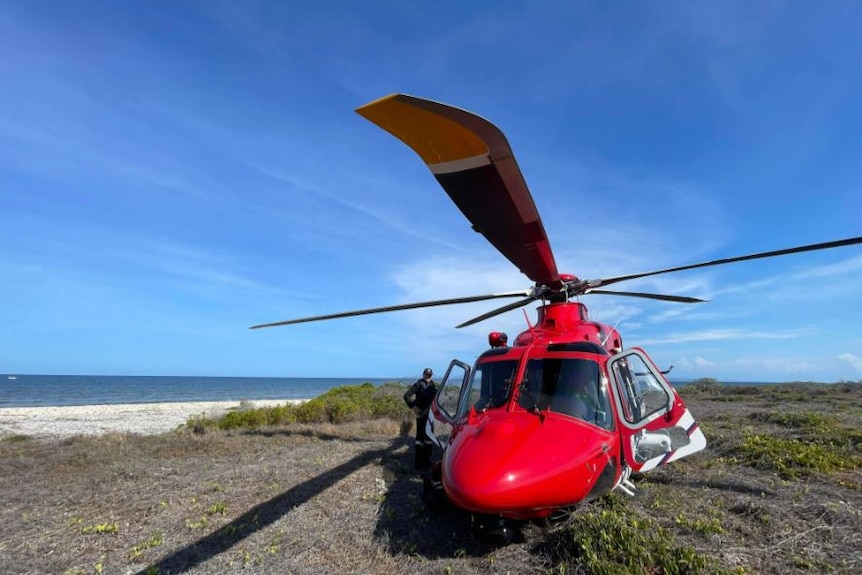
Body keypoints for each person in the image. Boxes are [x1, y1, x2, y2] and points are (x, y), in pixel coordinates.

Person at [403, 367, 437, 471]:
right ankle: (418, 463)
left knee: (429, 439)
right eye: (426, 374)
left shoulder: (432, 385)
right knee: (420, 439)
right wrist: (413, 406)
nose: (428, 376)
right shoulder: (418, 384)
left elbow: (435, 400)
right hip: (421, 416)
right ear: (423, 374)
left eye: (429, 375)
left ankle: (427, 461)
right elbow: (406, 396)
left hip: (430, 415)